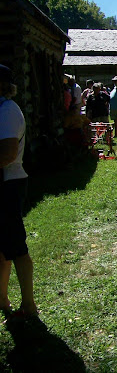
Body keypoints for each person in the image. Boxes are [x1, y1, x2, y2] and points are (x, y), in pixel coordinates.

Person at [0, 64, 38, 320]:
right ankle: (2, 299)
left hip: (8, 185)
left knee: (16, 247)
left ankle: (29, 306)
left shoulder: (7, 111)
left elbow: (8, 154)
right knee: (2, 248)